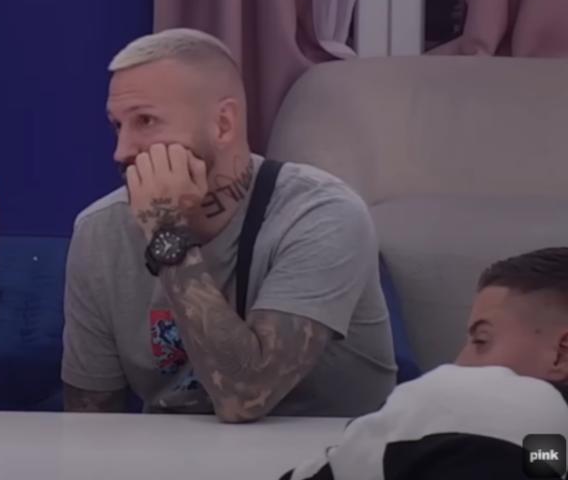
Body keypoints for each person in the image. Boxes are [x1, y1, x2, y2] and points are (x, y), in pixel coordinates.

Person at [62, 29, 396, 421]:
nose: (121, 151)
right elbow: (89, 423)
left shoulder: (323, 214)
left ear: (223, 124)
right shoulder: (99, 232)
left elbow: (246, 396)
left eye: (146, 121)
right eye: (117, 126)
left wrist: (166, 232)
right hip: (172, 452)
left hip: (326, 451)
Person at [282, 247, 568, 479]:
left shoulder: (471, 405)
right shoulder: (544, 444)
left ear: (561, 354)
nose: (460, 362)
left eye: (481, 341)